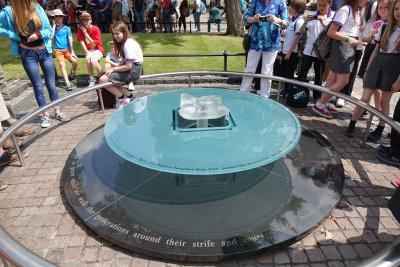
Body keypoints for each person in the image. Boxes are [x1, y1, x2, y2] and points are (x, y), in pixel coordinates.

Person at [0, 0, 70, 128]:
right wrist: (15, 36)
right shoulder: (8, 12)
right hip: (28, 54)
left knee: (51, 84)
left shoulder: (37, 8)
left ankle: (57, 111)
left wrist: (39, 34)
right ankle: (45, 114)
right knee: (38, 87)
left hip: (44, 51)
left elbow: (48, 30)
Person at [346, 0, 400, 140]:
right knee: (365, 97)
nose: (398, 12)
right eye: (396, 9)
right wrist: (368, 70)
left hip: (393, 66)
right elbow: (376, 50)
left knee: (384, 101)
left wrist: (398, 80)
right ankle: (352, 123)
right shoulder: (385, 27)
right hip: (377, 63)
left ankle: (380, 129)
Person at [312, 0, 368, 119]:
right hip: (343, 47)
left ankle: (322, 103)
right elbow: (332, 32)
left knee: (334, 78)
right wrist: (348, 39)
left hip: (347, 47)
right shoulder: (345, 10)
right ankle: (320, 104)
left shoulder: (355, 10)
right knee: (343, 80)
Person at [240, 0, 289, 98]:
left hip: (271, 42)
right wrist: (253, 18)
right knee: (249, 69)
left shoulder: (280, 2)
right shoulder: (256, 1)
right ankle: (243, 94)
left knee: (267, 71)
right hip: (255, 41)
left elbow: (286, 23)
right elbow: (245, 18)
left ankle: (264, 96)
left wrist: (276, 20)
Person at [357, 0, 390, 123]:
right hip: (370, 51)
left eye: (386, 7)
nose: (383, 10)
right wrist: (372, 35)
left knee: (377, 88)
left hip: (382, 54)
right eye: (380, 7)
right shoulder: (373, 22)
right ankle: (365, 108)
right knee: (366, 81)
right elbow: (365, 40)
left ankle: (378, 111)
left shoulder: (393, 24)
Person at [98, 21, 143, 108]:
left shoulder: (127, 44)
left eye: (117, 33)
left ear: (124, 32)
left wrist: (114, 69)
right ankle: (130, 96)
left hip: (133, 71)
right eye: (113, 34)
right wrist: (117, 66)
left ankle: (122, 98)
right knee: (113, 83)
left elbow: (128, 66)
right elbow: (127, 62)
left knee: (103, 80)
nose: (115, 36)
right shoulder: (128, 41)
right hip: (135, 69)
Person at [298, 0, 334, 100]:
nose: (321, 8)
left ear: (329, 5)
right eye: (319, 5)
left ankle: (317, 96)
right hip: (309, 49)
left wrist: (322, 22)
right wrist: (306, 22)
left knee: (319, 75)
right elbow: (301, 31)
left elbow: (331, 32)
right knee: (302, 72)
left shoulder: (333, 17)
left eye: (324, 5)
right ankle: (300, 93)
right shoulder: (312, 15)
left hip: (321, 51)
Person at [281, 0, 306, 90]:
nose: (290, 8)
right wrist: (284, 34)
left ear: (298, 9)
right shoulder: (292, 20)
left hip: (291, 52)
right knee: (285, 73)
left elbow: (297, 38)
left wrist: (289, 53)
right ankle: (286, 90)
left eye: (292, 7)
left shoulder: (299, 21)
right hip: (286, 50)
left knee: (289, 74)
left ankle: (288, 91)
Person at [50, 9, 78, 91]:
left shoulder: (67, 28)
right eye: (57, 16)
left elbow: (71, 40)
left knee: (75, 61)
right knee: (62, 65)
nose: (59, 18)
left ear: (63, 18)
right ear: (54, 18)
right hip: (58, 50)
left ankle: (73, 73)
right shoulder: (52, 28)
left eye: (60, 16)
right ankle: (67, 82)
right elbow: (51, 37)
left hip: (67, 50)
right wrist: (54, 26)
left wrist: (73, 52)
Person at [77, 12, 104, 87]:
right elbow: (82, 41)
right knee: (88, 59)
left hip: (98, 49)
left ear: (90, 20)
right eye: (83, 20)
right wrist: (86, 52)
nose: (85, 22)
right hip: (89, 50)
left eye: (87, 20)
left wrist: (86, 34)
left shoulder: (96, 29)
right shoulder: (80, 28)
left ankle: (102, 77)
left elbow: (94, 44)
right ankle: (92, 80)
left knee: (94, 60)